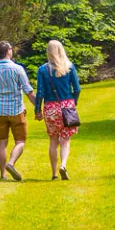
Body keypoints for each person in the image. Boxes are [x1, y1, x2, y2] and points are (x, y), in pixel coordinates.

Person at [0, 40, 34, 182]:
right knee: (20, 141)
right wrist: (38, 107)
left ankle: (3, 174)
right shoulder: (18, 69)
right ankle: (11, 163)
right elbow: (28, 91)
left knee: (2, 142)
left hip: (0, 112)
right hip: (17, 111)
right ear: (8, 51)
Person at [35, 38, 81, 181]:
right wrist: (74, 101)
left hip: (50, 108)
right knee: (65, 140)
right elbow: (77, 88)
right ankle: (63, 165)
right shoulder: (69, 67)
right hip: (67, 106)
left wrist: (37, 110)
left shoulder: (42, 70)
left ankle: (54, 173)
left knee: (53, 140)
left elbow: (40, 92)